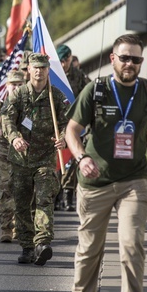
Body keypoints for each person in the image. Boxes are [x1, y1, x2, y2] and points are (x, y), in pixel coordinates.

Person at [65, 34, 147, 292]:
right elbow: (72, 130)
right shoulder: (96, 90)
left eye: (136, 59)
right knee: (90, 249)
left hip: (134, 182)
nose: (130, 64)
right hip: (95, 181)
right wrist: (81, 158)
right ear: (113, 58)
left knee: (132, 246)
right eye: (124, 57)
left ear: (141, 62)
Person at [0, 53, 69, 266]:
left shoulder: (56, 96)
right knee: (22, 204)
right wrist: (14, 138)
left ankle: (42, 242)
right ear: (28, 70)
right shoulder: (19, 95)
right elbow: (7, 119)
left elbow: (70, 123)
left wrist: (64, 138)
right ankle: (27, 246)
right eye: (35, 67)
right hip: (21, 159)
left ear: (48, 70)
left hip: (45, 158)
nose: (38, 71)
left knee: (44, 199)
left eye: (42, 67)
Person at [0, 70, 25, 242]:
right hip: (2, 153)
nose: (16, 88)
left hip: (23, 154)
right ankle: (6, 227)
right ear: (7, 86)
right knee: (5, 189)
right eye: (13, 84)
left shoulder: (28, 105)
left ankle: (20, 225)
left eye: (19, 84)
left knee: (20, 190)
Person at [56, 44, 92, 211]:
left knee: (71, 161)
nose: (63, 64)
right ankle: (54, 196)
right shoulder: (52, 75)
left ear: (70, 59)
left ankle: (67, 196)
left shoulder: (78, 76)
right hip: (55, 124)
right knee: (55, 162)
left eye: (66, 60)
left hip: (74, 124)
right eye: (60, 61)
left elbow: (90, 91)